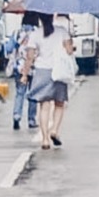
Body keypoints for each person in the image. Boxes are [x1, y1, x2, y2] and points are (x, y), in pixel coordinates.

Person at [26, 12, 74, 150]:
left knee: (44, 106)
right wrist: (70, 43)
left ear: (40, 18)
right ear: (53, 17)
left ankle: (45, 139)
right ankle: (54, 130)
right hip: (59, 70)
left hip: (42, 71)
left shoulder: (35, 34)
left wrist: (25, 73)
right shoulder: (62, 31)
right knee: (59, 103)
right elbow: (69, 51)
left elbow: (30, 56)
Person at [9, 14, 40, 132]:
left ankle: (16, 116)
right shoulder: (37, 33)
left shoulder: (17, 33)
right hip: (34, 67)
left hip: (20, 67)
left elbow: (8, 48)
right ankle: (31, 120)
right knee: (33, 94)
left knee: (19, 93)